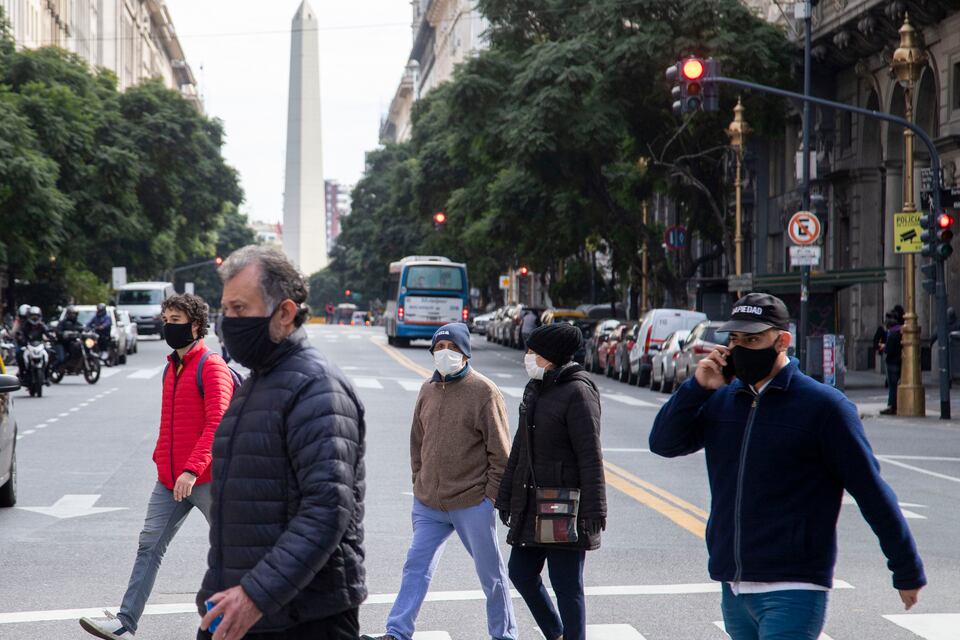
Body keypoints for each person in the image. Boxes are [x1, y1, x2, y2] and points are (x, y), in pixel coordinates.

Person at [649, 293, 926, 640]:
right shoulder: (723, 400)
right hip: (733, 586)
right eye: (734, 339)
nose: (740, 348)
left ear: (782, 341)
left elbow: (871, 491)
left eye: (752, 339)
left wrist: (906, 568)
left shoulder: (824, 407)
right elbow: (663, 443)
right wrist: (696, 388)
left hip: (794, 586)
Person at [197, 245, 366, 640]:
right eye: (225, 309)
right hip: (244, 609)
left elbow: (326, 510)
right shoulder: (258, 382)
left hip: (302, 618)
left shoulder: (317, 387)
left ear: (285, 313)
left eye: (240, 309)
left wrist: (255, 595)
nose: (228, 322)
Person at [79, 294, 234, 640]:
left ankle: (258, 622)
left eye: (175, 320)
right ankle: (125, 622)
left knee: (234, 550)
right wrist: (164, 462)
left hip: (207, 479)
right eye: (165, 320)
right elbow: (170, 424)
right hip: (170, 480)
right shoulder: (171, 367)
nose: (167, 327)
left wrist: (192, 469)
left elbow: (218, 424)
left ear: (195, 325)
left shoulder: (211, 366)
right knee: (149, 546)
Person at [363, 323, 517, 640]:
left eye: (453, 348)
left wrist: (489, 497)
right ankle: (397, 631)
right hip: (429, 504)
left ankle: (504, 634)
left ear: (466, 353)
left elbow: (501, 454)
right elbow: (416, 441)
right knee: (415, 566)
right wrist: (419, 480)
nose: (446, 354)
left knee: (491, 574)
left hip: (471, 501)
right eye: (440, 348)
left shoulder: (484, 392)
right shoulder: (427, 390)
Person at [497, 323, 606, 640]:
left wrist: (594, 509)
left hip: (564, 506)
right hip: (533, 502)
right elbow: (520, 448)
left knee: (566, 586)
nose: (528, 357)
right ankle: (555, 633)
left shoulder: (578, 392)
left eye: (533, 352)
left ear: (551, 356)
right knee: (520, 573)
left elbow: (590, 456)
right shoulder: (536, 387)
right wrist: (506, 496)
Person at [13, 306, 48, 377]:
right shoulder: (25, 325)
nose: (34, 319)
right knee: (19, 354)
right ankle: (22, 372)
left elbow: (48, 332)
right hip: (27, 345)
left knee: (50, 352)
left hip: (39, 345)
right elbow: (18, 333)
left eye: (36, 317)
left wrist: (51, 336)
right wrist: (19, 337)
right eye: (32, 317)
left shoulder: (42, 325)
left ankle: (47, 374)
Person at [880, 313, 902, 415]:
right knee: (895, 385)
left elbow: (888, 350)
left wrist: (884, 347)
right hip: (899, 361)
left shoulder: (892, 334)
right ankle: (895, 405)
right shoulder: (900, 332)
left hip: (892, 362)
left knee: (892, 386)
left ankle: (892, 406)